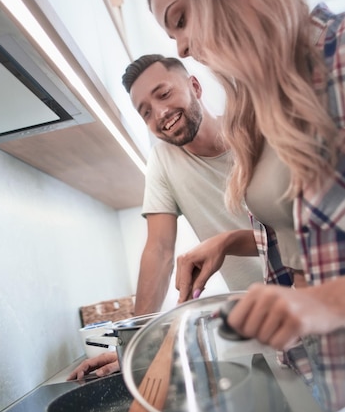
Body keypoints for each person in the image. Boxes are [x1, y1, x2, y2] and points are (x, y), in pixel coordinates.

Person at [145, 0, 345, 356]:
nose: (179, 47)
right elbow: (302, 230)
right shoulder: (253, 110)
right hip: (323, 368)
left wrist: (320, 304)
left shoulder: (338, 51)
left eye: (180, 20)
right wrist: (229, 242)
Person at [67, 54, 263, 379]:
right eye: (145, 111)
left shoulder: (255, 130)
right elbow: (158, 250)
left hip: (318, 298)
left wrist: (226, 242)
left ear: (195, 86)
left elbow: (296, 231)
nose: (159, 113)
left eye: (164, 94)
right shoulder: (162, 161)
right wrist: (134, 346)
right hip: (259, 325)